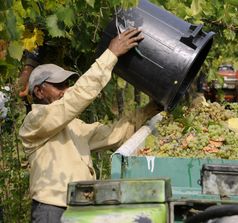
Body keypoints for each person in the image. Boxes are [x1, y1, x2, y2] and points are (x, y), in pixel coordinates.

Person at [19, 28, 162, 223]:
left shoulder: (73, 126)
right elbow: (75, 99)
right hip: (52, 211)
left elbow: (114, 135)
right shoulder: (35, 121)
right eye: (58, 85)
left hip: (80, 209)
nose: (66, 90)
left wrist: (151, 108)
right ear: (39, 92)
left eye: (67, 84)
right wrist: (110, 55)